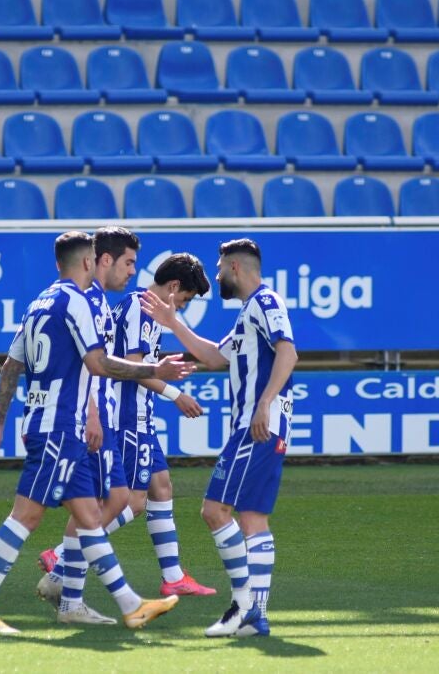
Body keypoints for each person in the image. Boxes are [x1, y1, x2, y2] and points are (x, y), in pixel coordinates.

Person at [0, 231, 196, 635]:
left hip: (52, 423)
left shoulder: (40, 302)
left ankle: (120, 605)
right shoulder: (78, 301)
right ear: (89, 261)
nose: (132, 271)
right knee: (27, 516)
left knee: (92, 516)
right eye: (128, 263)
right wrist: (154, 371)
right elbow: (99, 363)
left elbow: (12, 364)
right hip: (60, 425)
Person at [37, 252, 217, 606]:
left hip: (139, 417)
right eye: (184, 298)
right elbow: (135, 366)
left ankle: (173, 578)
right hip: (127, 418)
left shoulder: (140, 308)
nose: (182, 306)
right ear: (173, 286)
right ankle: (62, 554)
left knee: (161, 487)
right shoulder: (140, 308)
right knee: (132, 502)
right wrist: (175, 394)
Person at [142, 239, 298, 639]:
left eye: (219, 268)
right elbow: (214, 357)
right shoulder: (249, 313)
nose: (216, 275)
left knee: (215, 511)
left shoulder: (266, 302)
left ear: (235, 267)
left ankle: (245, 607)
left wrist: (265, 402)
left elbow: (288, 353)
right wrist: (173, 322)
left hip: (257, 425)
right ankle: (253, 614)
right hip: (259, 424)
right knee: (251, 518)